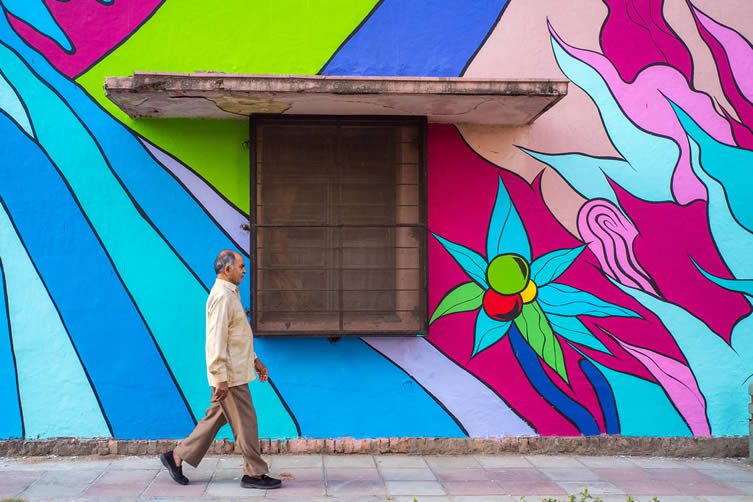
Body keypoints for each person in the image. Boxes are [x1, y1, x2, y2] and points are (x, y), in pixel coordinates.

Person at [160, 250, 282, 490]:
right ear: (228, 270)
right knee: (247, 423)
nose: (244, 270)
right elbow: (216, 341)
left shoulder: (230, 294)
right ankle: (254, 474)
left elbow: (236, 338)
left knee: (215, 417)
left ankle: (176, 456)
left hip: (234, 371)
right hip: (230, 376)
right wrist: (220, 379)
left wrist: (255, 361)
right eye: (241, 266)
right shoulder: (222, 297)